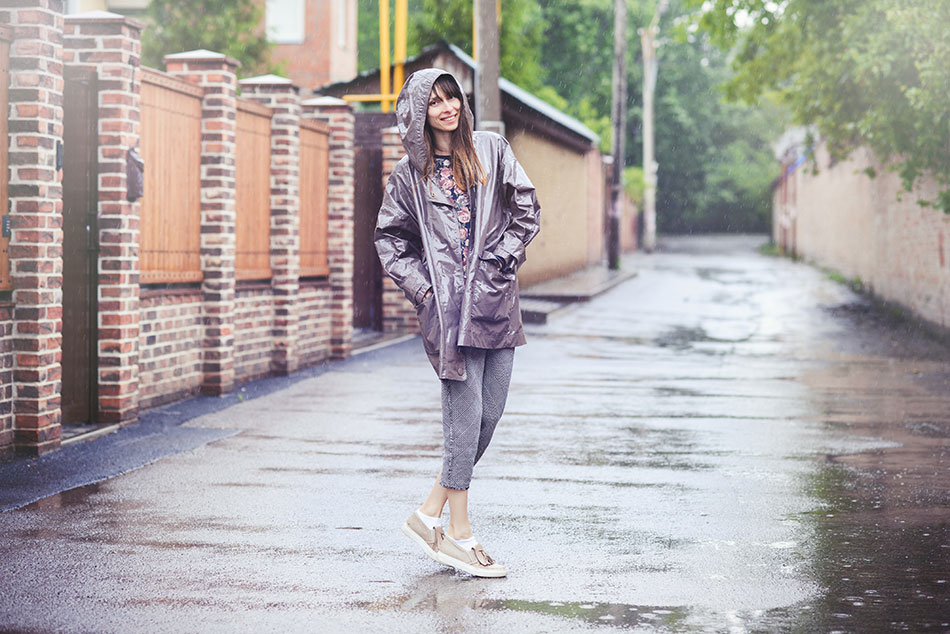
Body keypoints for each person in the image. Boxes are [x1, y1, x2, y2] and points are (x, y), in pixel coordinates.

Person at [375, 69, 541, 578]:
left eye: (452, 98)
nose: (447, 107)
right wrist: (426, 291)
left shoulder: (490, 149)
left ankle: (429, 513)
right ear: (419, 114)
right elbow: (390, 242)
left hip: (496, 304)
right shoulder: (408, 176)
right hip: (447, 315)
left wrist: (501, 261)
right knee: (464, 420)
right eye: (435, 102)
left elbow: (526, 209)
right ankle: (461, 534)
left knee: (488, 417)